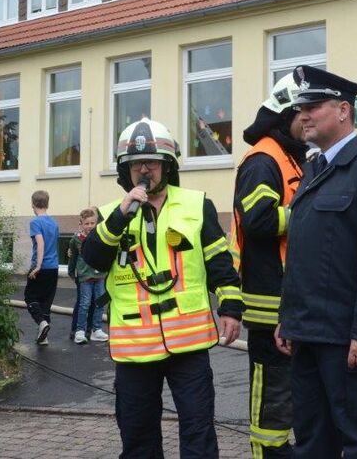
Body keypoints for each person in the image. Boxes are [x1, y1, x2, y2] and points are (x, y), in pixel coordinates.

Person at [82, 118, 244, 459]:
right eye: (136, 164)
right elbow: (94, 259)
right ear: (125, 171)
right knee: (138, 437)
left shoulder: (196, 204)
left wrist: (230, 307)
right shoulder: (112, 213)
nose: (145, 169)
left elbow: (219, 263)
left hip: (189, 343)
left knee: (199, 432)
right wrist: (120, 217)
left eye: (152, 162)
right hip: (135, 348)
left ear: (166, 165)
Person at [276, 65, 357, 459]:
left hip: (347, 339)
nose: (303, 114)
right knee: (313, 440)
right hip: (307, 333)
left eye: (313, 105)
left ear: (343, 110)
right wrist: (289, 317)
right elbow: (303, 254)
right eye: (301, 107)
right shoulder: (314, 169)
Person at [232, 73, 306, 458]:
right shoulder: (264, 159)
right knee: (271, 390)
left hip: (287, 297)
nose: (308, 120)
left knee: (287, 388)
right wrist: (307, 214)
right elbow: (257, 219)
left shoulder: (289, 155)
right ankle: (268, 452)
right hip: (267, 303)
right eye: (303, 113)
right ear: (285, 116)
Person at [24, 190, 59, 346]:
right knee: (46, 302)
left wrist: (37, 266)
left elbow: (40, 243)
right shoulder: (54, 223)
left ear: (33, 204)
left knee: (30, 297)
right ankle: (43, 338)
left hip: (41, 266)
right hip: (54, 267)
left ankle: (42, 323)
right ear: (48, 203)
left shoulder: (35, 222)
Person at [68, 207, 108, 344]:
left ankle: (96, 330)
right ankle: (80, 331)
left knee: (100, 303)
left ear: (96, 223)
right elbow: (73, 257)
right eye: (87, 223)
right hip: (85, 276)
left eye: (92, 223)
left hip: (100, 276)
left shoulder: (101, 236)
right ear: (81, 224)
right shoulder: (76, 239)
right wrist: (71, 272)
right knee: (84, 304)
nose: (90, 226)